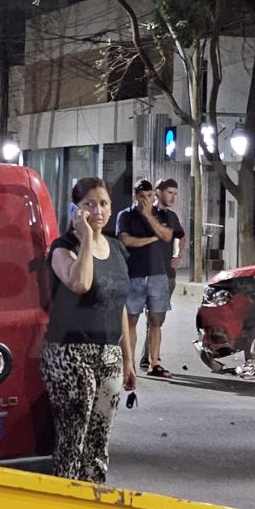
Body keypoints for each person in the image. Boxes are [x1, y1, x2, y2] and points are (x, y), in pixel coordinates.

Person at [41, 178, 136, 484]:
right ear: (75, 209)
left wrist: (128, 360)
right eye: (89, 204)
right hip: (70, 354)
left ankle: (94, 500)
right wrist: (84, 239)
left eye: (104, 203)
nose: (97, 210)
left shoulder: (118, 249)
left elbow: (119, 303)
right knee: (73, 439)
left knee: (99, 440)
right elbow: (79, 283)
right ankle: (65, 502)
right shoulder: (63, 248)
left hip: (108, 352)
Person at [116, 179, 181, 379]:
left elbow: (167, 235)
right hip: (134, 274)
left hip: (158, 274)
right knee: (131, 320)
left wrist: (148, 216)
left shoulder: (163, 215)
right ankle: (129, 364)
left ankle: (154, 363)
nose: (146, 200)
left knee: (156, 320)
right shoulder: (125, 215)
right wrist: (150, 239)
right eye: (142, 196)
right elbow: (126, 240)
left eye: (149, 196)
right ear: (135, 196)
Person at [140, 178, 186, 372]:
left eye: (175, 193)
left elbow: (181, 236)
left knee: (157, 319)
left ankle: (148, 358)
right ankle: (148, 359)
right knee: (144, 318)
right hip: (144, 273)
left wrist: (178, 254)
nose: (173, 197)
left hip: (166, 275)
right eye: (170, 193)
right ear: (158, 192)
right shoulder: (145, 214)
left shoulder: (172, 217)